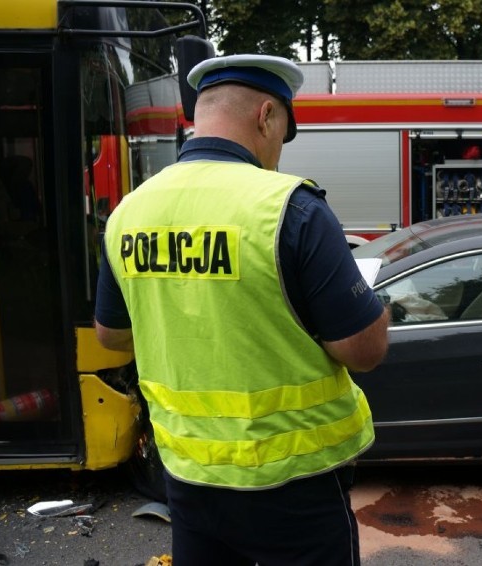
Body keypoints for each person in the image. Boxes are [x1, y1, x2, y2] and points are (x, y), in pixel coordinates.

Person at [94, 53, 390, 566]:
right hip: (293, 488)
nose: (278, 150)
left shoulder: (129, 212)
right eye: (282, 132)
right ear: (266, 117)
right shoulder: (290, 208)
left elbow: (111, 336)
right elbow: (364, 349)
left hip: (187, 479)